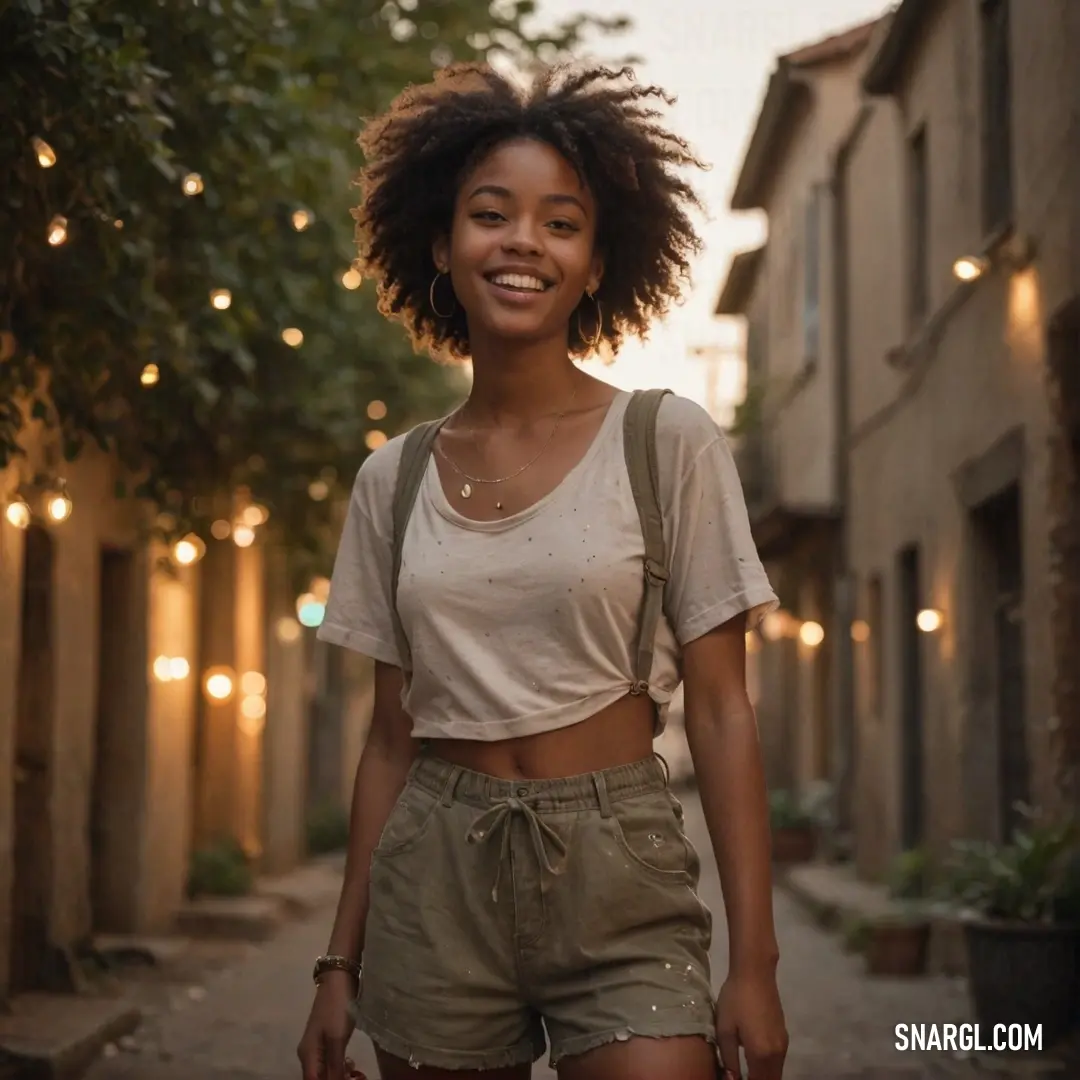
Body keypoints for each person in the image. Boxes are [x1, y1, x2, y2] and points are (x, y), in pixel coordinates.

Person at [297, 62, 788, 1080]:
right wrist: (338, 963)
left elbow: (725, 713)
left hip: (620, 868)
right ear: (440, 242)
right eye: (491, 214)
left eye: (561, 223)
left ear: (599, 263)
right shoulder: (392, 480)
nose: (523, 241)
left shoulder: (667, 442)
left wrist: (757, 963)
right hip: (434, 877)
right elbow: (390, 740)